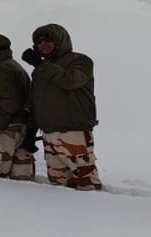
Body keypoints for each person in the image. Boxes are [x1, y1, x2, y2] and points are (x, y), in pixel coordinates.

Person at [21, 24, 101, 190]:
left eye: (48, 39)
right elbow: (37, 101)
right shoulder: (41, 69)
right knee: (57, 187)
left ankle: (94, 207)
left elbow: (71, 81)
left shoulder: (80, 61)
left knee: (87, 186)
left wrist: (40, 65)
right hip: (49, 135)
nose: (43, 44)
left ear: (60, 41)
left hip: (74, 133)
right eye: (38, 41)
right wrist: (31, 130)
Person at [0, 33, 35, 180]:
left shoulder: (0, 70)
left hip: (4, 129)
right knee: (21, 181)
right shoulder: (15, 66)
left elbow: (4, 102)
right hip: (21, 128)